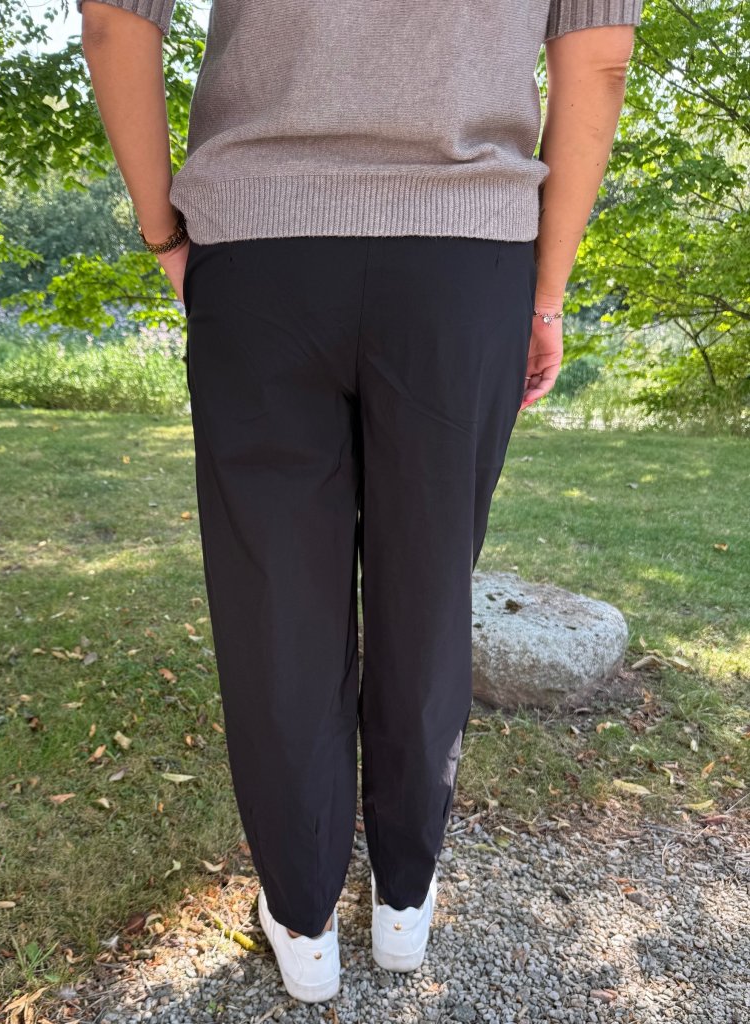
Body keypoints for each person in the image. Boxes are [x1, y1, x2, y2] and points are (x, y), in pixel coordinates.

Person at [77, 0, 643, 1004]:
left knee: (274, 602)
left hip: (262, 248)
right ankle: (403, 902)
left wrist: (165, 229)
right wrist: (543, 293)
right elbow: (596, 62)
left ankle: (302, 918)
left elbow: (115, 21)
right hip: (461, 259)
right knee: (427, 587)